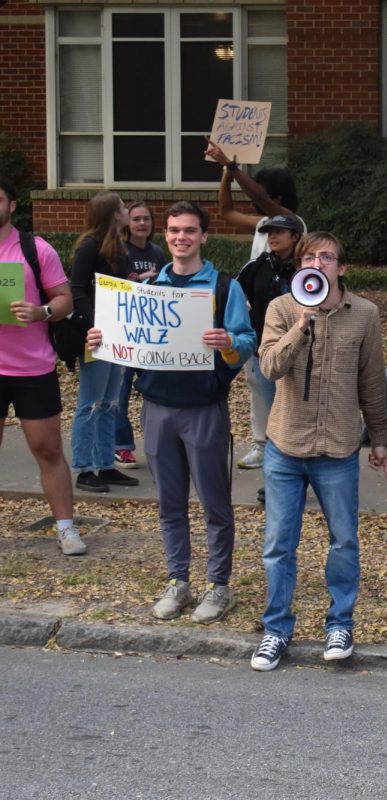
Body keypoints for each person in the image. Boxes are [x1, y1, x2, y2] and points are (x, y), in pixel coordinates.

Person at [86, 201, 255, 622]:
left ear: (203, 236)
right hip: (157, 407)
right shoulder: (146, 290)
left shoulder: (223, 288)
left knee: (215, 503)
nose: (182, 238)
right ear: (167, 236)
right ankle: (178, 580)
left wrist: (228, 343)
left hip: (204, 408)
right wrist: (100, 338)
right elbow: (127, 341)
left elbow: (247, 341)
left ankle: (218, 585)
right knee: (169, 503)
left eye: (190, 231)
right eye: (175, 231)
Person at [249, 232, 387, 671]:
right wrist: (301, 324)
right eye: (309, 256)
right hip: (286, 446)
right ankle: (276, 631)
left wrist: (380, 438)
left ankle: (340, 624)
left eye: (326, 257)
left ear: (342, 268)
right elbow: (270, 368)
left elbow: (371, 380)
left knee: (344, 541)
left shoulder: (364, 314)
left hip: (338, 446)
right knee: (278, 544)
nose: (318, 262)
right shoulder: (282, 308)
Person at [203, 138, 305, 470]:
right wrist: (224, 173)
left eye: (261, 192)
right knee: (255, 382)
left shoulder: (294, 222)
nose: (255, 196)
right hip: (258, 310)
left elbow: (257, 198)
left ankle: (287, 444)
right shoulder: (263, 225)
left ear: (276, 197)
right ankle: (263, 443)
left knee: (284, 384)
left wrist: (233, 168)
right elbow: (226, 211)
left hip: (286, 315)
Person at [0, 177, 84, 555]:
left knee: (47, 448)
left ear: (12, 205)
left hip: (33, 368)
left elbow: (64, 300)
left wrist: (41, 312)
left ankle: (66, 528)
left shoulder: (35, 249)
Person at [68, 192, 140, 494]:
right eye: (123, 207)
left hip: (117, 334)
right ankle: (84, 467)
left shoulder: (117, 248)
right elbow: (77, 288)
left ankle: (105, 463)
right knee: (90, 402)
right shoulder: (90, 247)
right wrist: (93, 324)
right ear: (113, 214)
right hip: (98, 335)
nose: (127, 211)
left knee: (110, 402)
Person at [235, 214, 302, 477]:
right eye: (269, 232)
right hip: (264, 351)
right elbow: (237, 299)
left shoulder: (308, 267)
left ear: (295, 236)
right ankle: (275, 463)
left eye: (280, 232)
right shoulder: (256, 266)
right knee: (272, 406)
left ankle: (300, 461)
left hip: (303, 349)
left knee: (298, 405)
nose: (272, 237)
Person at [113, 201, 168, 468]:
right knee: (119, 393)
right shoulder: (118, 250)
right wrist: (139, 280)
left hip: (151, 333)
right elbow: (111, 287)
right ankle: (121, 446)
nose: (142, 224)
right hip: (125, 331)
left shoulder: (158, 252)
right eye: (136, 219)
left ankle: (159, 445)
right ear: (127, 223)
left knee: (156, 391)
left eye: (146, 219)